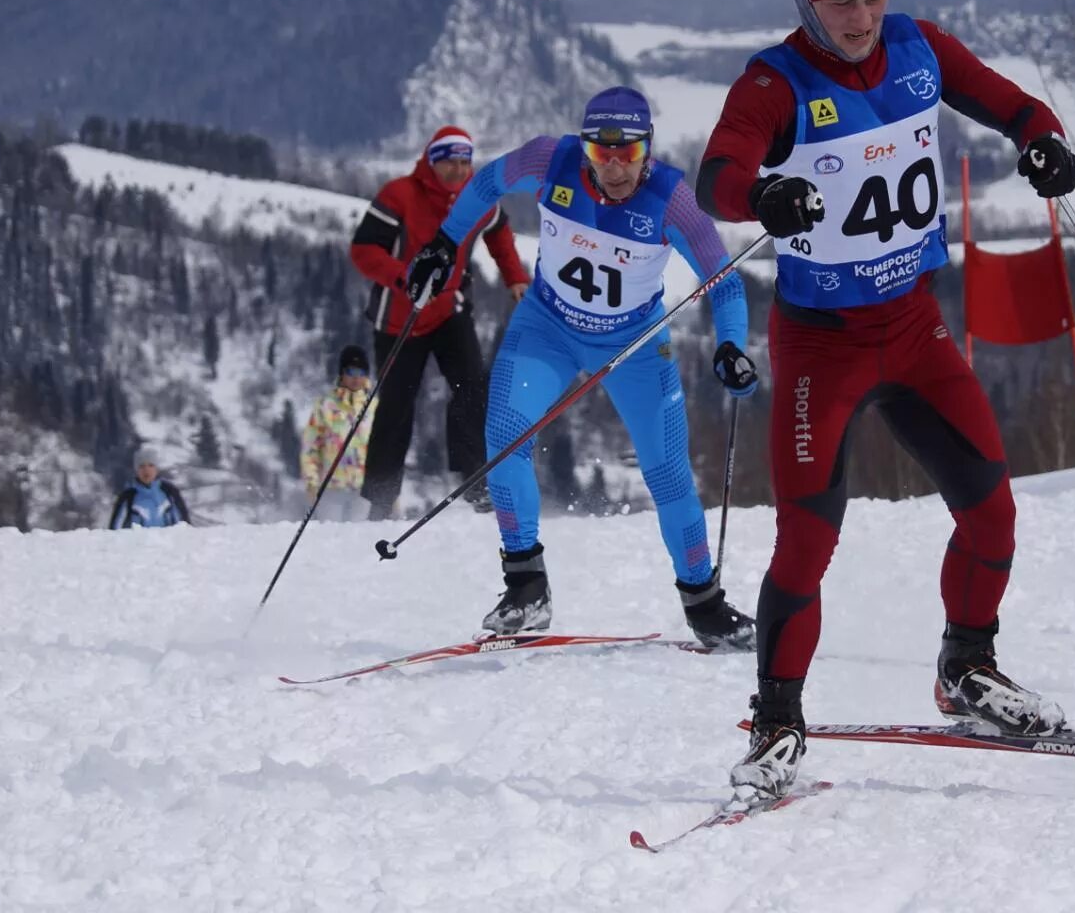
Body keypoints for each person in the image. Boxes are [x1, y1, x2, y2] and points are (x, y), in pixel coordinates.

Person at [695, 0, 1075, 796]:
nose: (860, 11)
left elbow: (1012, 104)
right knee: (806, 541)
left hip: (913, 328)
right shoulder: (775, 83)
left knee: (991, 510)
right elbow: (718, 172)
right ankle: (777, 721)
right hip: (821, 346)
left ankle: (966, 668)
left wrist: (1043, 143)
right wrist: (764, 197)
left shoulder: (919, 47)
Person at [406, 87, 762, 648]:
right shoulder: (552, 159)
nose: (615, 169)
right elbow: (487, 183)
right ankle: (527, 589)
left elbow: (727, 280)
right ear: (584, 147)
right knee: (504, 439)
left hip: (635, 345)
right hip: (547, 328)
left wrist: (731, 345)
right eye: (601, 154)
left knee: (668, 474)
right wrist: (443, 243)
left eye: (629, 154)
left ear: (649, 148)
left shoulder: (671, 201)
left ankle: (705, 606)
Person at [350, 125, 530, 520]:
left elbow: (499, 233)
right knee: (396, 405)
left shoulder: (474, 199)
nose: (459, 170)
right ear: (432, 162)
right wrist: (403, 277)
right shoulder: (399, 194)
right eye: (450, 161)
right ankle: (381, 498)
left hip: (449, 309)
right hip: (399, 316)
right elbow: (363, 251)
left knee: (473, 386)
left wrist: (515, 277)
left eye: (466, 162)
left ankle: (476, 484)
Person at [299, 344, 374, 522]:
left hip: (364, 490)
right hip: (331, 488)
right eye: (351, 371)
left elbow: (386, 449)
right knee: (331, 539)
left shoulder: (375, 407)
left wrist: (390, 488)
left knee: (360, 538)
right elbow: (311, 446)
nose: (356, 378)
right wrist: (311, 481)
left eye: (361, 372)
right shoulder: (325, 406)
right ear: (342, 374)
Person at [107, 447, 191, 529]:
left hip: (167, 542)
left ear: (156, 469)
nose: (146, 470)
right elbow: (114, 531)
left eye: (151, 465)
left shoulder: (170, 492)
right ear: (136, 470)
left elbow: (185, 528)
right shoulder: (127, 497)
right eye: (142, 466)